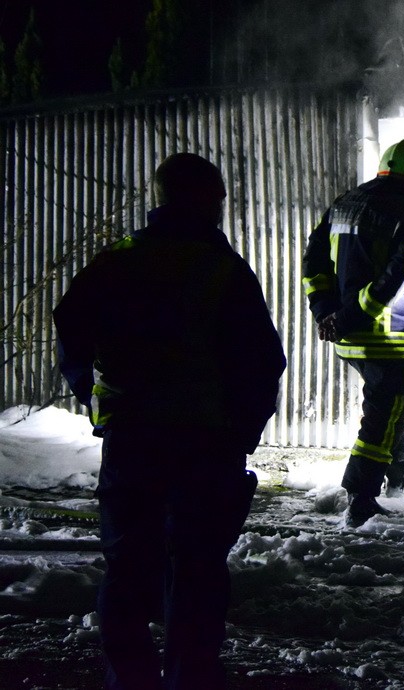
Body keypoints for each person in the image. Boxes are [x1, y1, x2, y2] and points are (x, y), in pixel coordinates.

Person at [52, 152, 286, 690]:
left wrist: (91, 392)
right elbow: (263, 359)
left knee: (129, 565)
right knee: (198, 569)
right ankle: (190, 678)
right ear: (207, 199)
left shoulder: (119, 259)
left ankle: (128, 680)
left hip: (133, 436)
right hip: (205, 440)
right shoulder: (223, 269)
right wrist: (244, 429)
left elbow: (71, 325)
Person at [302, 138, 404, 527]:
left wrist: (327, 312)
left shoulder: (344, 203)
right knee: (384, 413)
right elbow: (398, 275)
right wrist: (353, 316)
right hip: (385, 335)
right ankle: (361, 494)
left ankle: (396, 480)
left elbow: (313, 260)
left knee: (390, 408)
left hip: (347, 331)